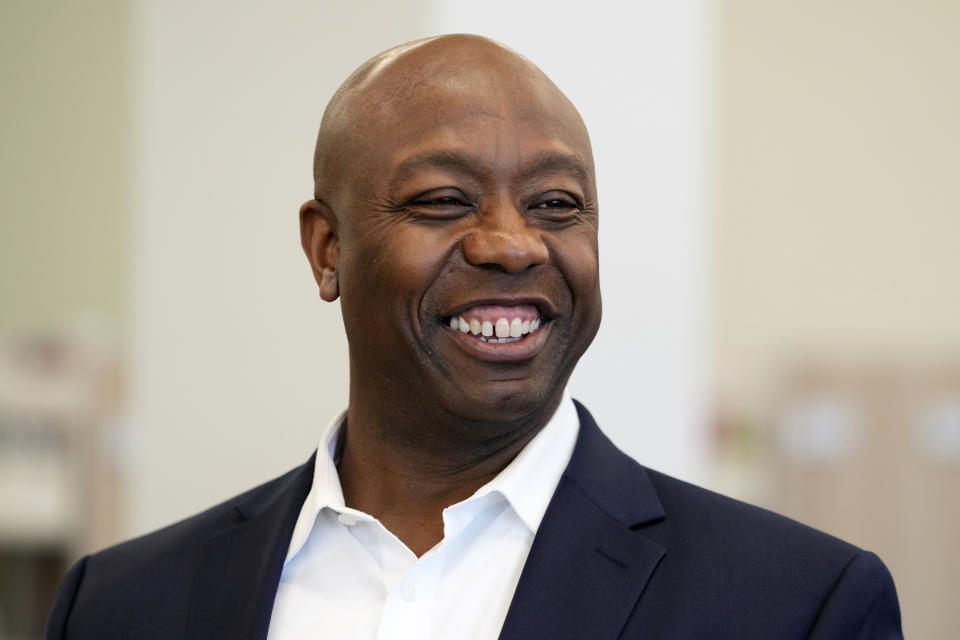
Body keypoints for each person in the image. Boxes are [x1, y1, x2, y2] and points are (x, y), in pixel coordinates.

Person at [46, 34, 902, 639]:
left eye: (556, 205)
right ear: (327, 248)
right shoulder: (121, 606)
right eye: (444, 201)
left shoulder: (797, 607)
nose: (513, 243)